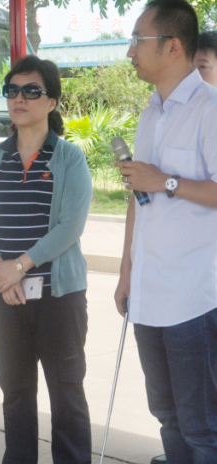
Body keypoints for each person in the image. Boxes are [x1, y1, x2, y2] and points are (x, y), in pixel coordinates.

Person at [0, 55, 93, 464]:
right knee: (16, 392)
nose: (19, 98)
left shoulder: (69, 158)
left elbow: (70, 226)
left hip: (59, 295)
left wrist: (18, 266)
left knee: (66, 391)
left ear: (51, 102)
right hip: (4, 295)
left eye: (31, 91)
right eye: (12, 90)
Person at [115, 1, 217, 462]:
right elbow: (139, 198)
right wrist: (126, 273)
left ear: (173, 46)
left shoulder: (209, 109)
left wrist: (167, 181)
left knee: (202, 426)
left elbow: (164, 184)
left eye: (139, 39)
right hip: (148, 292)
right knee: (167, 415)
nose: (131, 51)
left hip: (193, 297)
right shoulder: (150, 114)